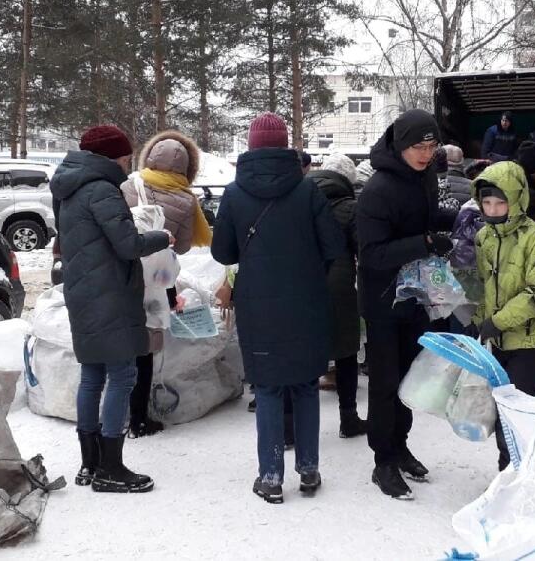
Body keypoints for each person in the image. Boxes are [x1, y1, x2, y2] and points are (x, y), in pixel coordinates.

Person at [211, 113, 344, 505]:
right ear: (286, 145)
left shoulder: (234, 194)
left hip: (258, 306)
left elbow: (223, 251)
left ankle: (270, 476)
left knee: (267, 388)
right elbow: (334, 247)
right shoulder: (308, 191)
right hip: (306, 303)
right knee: (304, 386)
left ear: (251, 147)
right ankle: (309, 469)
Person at [51, 125, 174, 494]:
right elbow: (126, 244)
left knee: (92, 376)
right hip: (110, 294)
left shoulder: (68, 188)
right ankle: (111, 466)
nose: (127, 163)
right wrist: (160, 238)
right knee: (121, 375)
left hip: (83, 291)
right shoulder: (102, 190)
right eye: (124, 157)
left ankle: (90, 463)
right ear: (110, 157)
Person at [357, 109, 448, 500]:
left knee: (410, 379)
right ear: (400, 145)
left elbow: (422, 218)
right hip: (383, 301)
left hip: (416, 295)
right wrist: (425, 244)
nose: (425, 153)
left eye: (431, 145)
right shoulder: (378, 190)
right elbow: (372, 253)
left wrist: (459, 217)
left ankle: (401, 445)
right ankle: (383, 461)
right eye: (418, 146)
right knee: (385, 383)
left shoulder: (424, 176)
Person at [120, 131, 213, 439]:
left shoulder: (129, 185)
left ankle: (116, 412)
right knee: (146, 349)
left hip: (122, 275)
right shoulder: (187, 200)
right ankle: (139, 416)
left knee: (121, 343)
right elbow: (183, 247)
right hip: (158, 282)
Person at [469, 161, 535, 471]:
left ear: (516, 199)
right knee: (500, 411)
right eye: (487, 202)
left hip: (530, 340)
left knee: (517, 415)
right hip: (498, 341)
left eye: (500, 202)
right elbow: (484, 285)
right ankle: (508, 474)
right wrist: (478, 319)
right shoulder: (484, 238)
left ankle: (517, 476)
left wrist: (498, 321)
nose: (493, 209)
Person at [308, 152, 368, 439]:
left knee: (305, 355)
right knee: (346, 354)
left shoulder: (300, 201)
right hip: (340, 287)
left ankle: (298, 425)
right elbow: (364, 252)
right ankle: (349, 418)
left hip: (302, 286)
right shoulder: (351, 208)